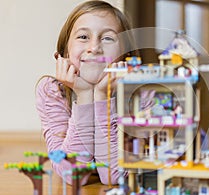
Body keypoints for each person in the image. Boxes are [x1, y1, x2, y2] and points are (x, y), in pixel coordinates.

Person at [35, 0, 137, 185]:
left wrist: (101, 96)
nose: (94, 48)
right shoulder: (51, 91)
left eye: (107, 38)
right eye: (83, 37)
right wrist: (83, 96)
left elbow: (113, 176)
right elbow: (73, 174)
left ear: (125, 55)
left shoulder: (140, 95)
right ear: (65, 51)